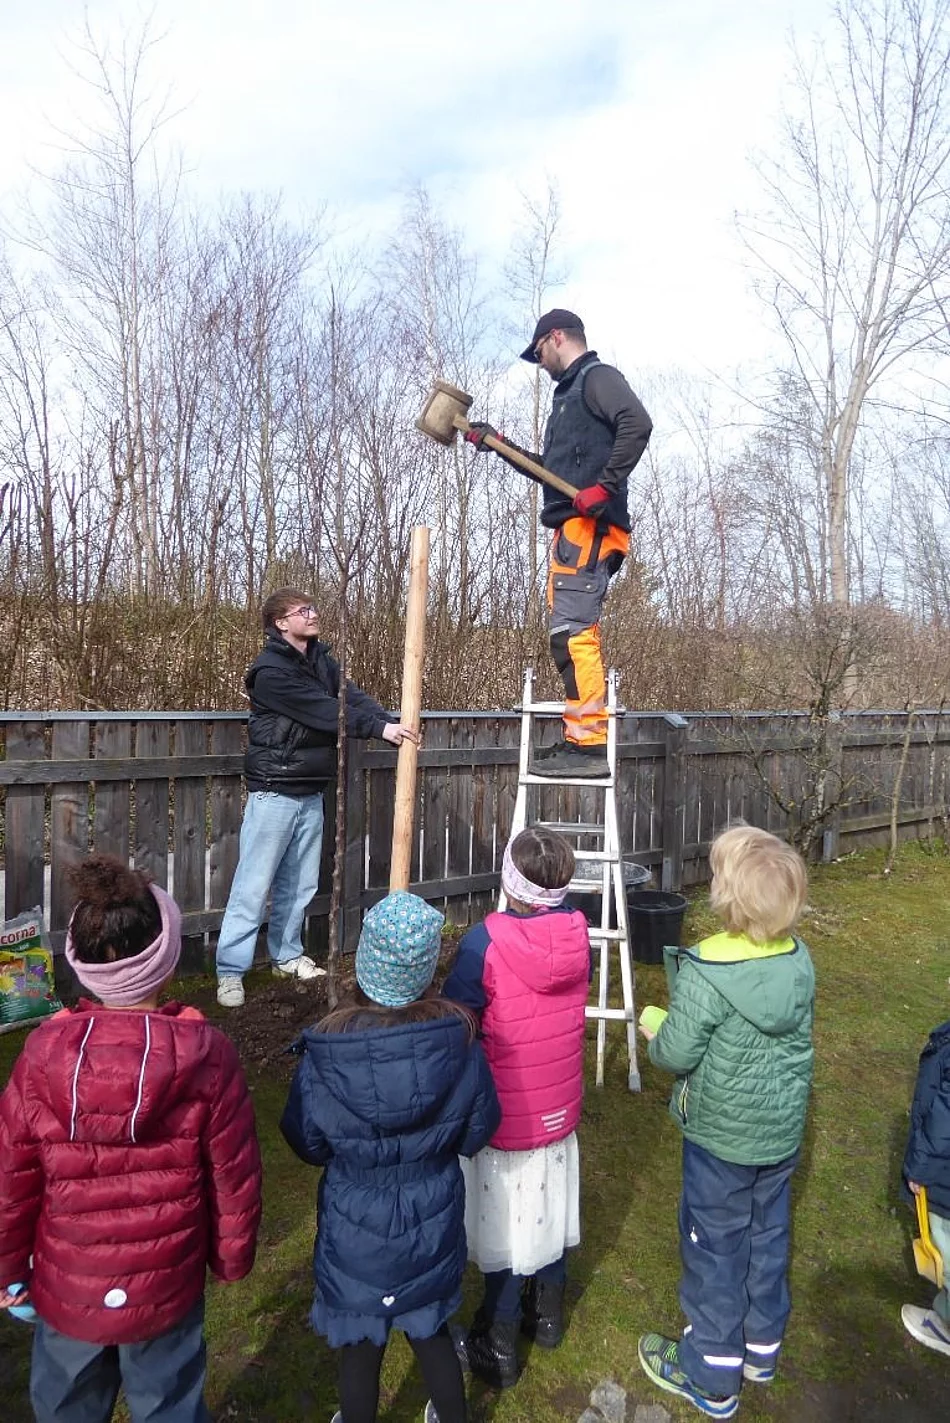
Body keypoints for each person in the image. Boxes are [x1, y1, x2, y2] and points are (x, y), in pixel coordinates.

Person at [0, 855, 262, 1423]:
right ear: (166, 962)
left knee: (66, 1407)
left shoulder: (40, 1055)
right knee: (168, 1406)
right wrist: (232, 1258)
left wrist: (8, 1270)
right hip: (164, 1283)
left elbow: (10, 1180)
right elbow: (234, 1175)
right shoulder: (208, 1054)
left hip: (71, 1289)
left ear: (82, 964)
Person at [280, 890, 501, 1423]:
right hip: (431, 1221)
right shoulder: (461, 1045)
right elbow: (477, 1132)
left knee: (360, 1347)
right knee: (431, 1333)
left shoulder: (325, 1054)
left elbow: (306, 1140)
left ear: (364, 965)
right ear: (428, 972)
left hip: (355, 1231)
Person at [635, 824, 814, 1420]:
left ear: (727, 898)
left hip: (721, 1142)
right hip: (779, 1135)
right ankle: (761, 1348)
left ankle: (711, 1373)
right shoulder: (798, 958)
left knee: (715, 1247)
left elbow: (678, 1054)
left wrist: (658, 1026)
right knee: (767, 1235)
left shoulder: (709, 969)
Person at [467, 309, 652, 779]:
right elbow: (553, 474)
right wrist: (497, 443)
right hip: (570, 527)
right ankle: (579, 735)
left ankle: (588, 743)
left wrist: (605, 487)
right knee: (564, 634)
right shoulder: (567, 398)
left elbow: (637, 423)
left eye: (539, 352)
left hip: (590, 526)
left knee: (574, 634)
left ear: (556, 337)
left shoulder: (597, 378)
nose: (539, 361)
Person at [216, 587, 418, 1008]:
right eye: (301, 611)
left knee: (301, 884)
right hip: (274, 791)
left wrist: (388, 720)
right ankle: (230, 971)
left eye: (312, 608)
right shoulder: (270, 673)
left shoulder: (321, 661)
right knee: (253, 885)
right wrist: (377, 730)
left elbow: (350, 697)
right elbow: (324, 711)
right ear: (280, 623)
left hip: (310, 789)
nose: (312, 615)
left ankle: (286, 955)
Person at [441, 827, 591, 1389]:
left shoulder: (485, 942)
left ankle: (498, 1340)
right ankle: (547, 1315)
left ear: (509, 880)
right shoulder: (578, 936)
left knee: (507, 1221)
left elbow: (459, 1017)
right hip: (558, 1107)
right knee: (549, 1207)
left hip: (507, 1111)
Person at [901, 1013, 950, 1354]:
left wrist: (919, 1169)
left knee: (943, 1240)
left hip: (943, 1176)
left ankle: (945, 1325)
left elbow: (944, 1121)